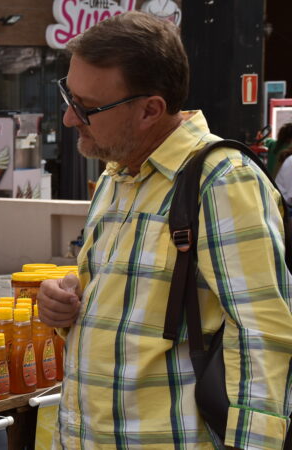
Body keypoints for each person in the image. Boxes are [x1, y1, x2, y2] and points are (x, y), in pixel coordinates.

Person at [37, 11, 292, 449]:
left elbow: (265, 335)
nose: (68, 119)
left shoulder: (222, 179)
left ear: (150, 110)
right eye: (68, 95)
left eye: (85, 107)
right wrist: (65, 307)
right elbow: (129, 311)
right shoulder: (118, 176)